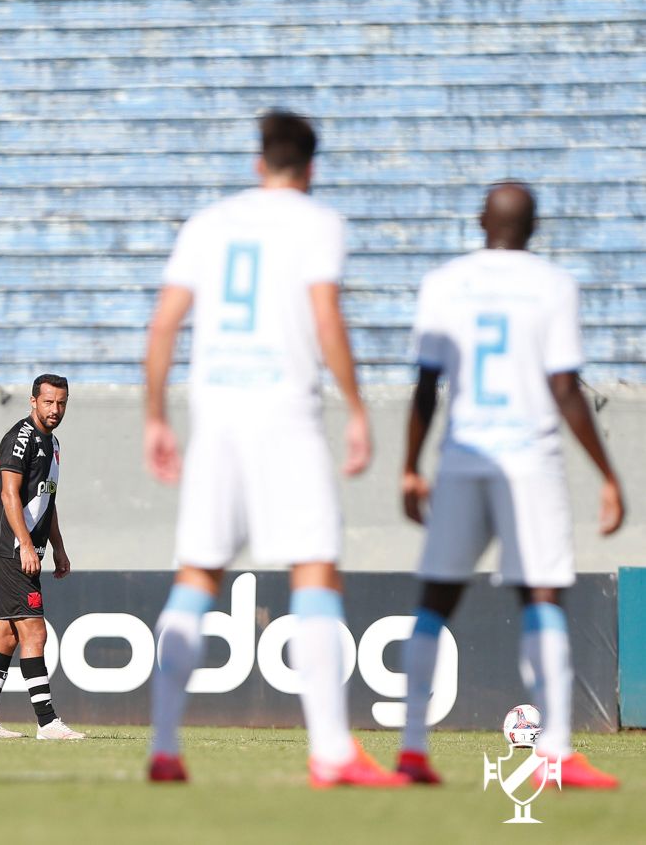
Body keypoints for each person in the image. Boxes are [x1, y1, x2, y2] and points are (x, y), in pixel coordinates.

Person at [142, 110, 404, 787]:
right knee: (313, 568)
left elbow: (165, 323)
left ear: (258, 162)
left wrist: (155, 417)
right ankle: (332, 751)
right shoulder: (318, 223)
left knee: (198, 572)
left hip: (217, 411)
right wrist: (357, 408)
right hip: (285, 411)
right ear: (311, 168)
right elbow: (325, 317)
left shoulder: (208, 223)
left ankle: (165, 746)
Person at [394, 182, 623, 788]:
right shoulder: (553, 286)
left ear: (479, 222)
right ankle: (555, 752)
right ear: (535, 227)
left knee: (436, 598)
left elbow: (425, 386)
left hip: (465, 453)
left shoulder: (445, 283)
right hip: (529, 459)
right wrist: (607, 475)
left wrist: (410, 465)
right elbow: (566, 389)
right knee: (541, 597)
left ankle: (413, 747)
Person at [0, 374, 83, 741]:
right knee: (35, 630)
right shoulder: (20, 438)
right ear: (33, 401)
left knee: (6, 635)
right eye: (48, 402)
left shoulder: (54, 443)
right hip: (10, 550)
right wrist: (27, 545)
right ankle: (47, 722)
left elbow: (47, 500)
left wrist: (59, 548)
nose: (55, 410)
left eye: (61, 403)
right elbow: (9, 495)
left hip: (21, 550)